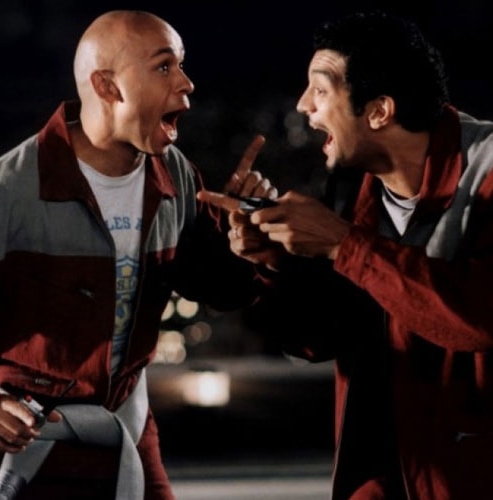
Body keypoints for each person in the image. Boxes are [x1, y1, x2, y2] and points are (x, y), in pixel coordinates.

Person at [197, 9, 493, 500]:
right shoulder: (354, 188)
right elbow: (324, 338)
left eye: (321, 89)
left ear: (378, 111)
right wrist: (275, 262)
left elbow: (478, 316)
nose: (303, 105)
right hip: (381, 479)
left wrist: (343, 244)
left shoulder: (486, 171)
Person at [0, 9, 276, 500]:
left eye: (182, 65)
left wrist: (251, 242)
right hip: (20, 442)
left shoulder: (175, 175)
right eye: (164, 67)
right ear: (107, 86)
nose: (187, 84)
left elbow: (223, 290)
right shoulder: (8, 191)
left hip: (126, 433)